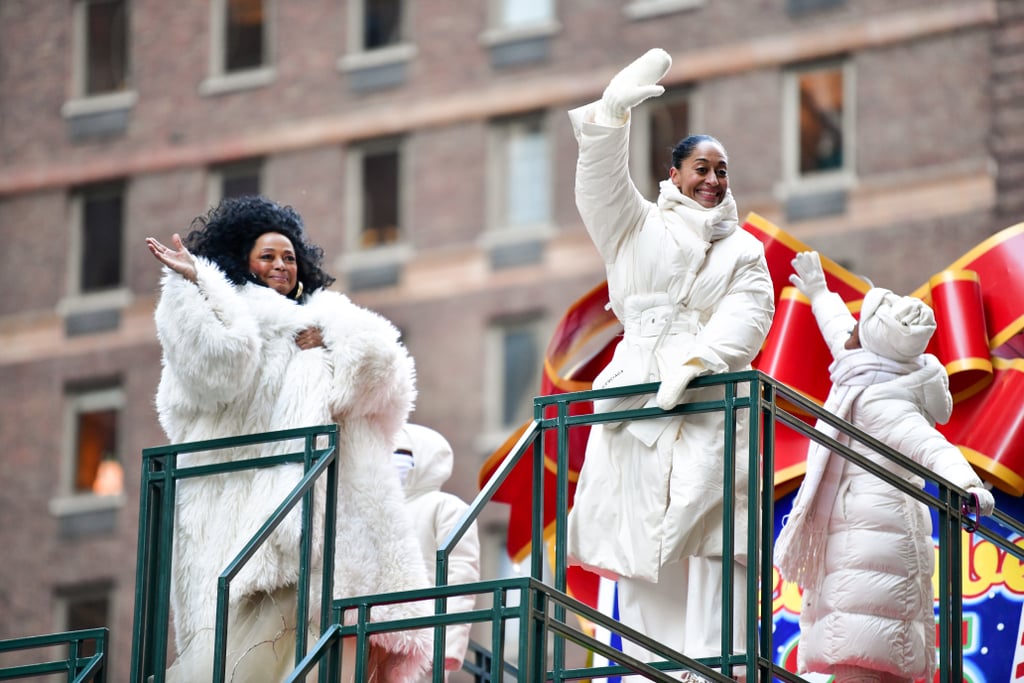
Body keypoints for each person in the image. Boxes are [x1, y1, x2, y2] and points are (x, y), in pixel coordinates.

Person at [146, 195, 432, 683]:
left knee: (332, 653)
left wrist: (333, 336)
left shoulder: (328, 319)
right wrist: (199, 285)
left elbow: (386, 377)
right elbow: (218, 366)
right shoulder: (225, 319)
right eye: (267, 256)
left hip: (333, 529)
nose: (280, 265)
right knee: (246, 659)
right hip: (247, 524)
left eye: (288, 257)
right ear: (241, 261)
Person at [564, 48, 776, 681]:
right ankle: (655, 669)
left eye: (722, 170)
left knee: (712, 534)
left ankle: (716, 667)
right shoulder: (636, 226)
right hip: (636, 392)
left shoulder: (744, 250)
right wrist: (611, 117)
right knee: (639, 543)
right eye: (700, 168)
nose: (712, 179)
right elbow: (599, 190)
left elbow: (750, 313)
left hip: (710, 397)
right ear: (675, 172)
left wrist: (702, 358)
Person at [773, 251, 995, 683]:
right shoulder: (870, 371)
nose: (851, 329)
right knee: (867, 656)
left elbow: (932, 448)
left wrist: (968, 485)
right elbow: (840, 332)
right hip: (870, 542)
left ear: (873, 340)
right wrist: (819, 291)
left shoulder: (880, 399)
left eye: (860, 325)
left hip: (873, 547)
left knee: (861, 657)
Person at [393, 423, 481, 681]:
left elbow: (461, 575)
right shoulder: (378, 512)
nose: (391, 460)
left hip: (424, 640)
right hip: (374, 633)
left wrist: (448, 644)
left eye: (401, 453)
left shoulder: (446, 507)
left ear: (425, 457)